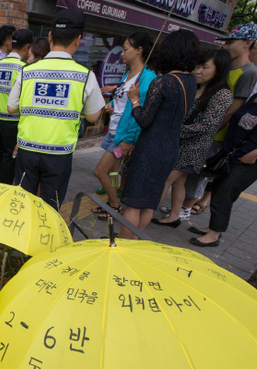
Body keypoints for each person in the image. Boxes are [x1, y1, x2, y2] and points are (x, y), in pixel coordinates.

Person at [7, 9, 104, 209]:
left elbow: (10, 107)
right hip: (59, 155)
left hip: (27, 151)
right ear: (78, 40)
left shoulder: (27, 71)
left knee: (21, 205)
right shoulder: (85, 75)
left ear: (50, 36)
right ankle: (45, 239)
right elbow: (94, 116)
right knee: (50, 207)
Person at [120, 29, 199, 239]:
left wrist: (135, 100)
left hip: (150, 149)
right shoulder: (190, 82)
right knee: (148, 203)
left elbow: (144, 120)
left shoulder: (163, 82)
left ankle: (124, 245)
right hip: (170, 148)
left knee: (133, 202)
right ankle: (135, 241)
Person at [153, 50, 232, 227]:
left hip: (194, 147)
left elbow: (207, 125)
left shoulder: (222, 94)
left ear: (219, 69)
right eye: (197, 66)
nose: (198, 71)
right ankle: (174, 216)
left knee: (164, 179)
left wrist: (175, 129)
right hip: (179, 142)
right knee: (179, 182)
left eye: (205, 67)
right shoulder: (194, 87)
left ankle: (143, 212)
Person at [192, 23, 257, 214]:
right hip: (208, 128)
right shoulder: (225, 67)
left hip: (220, 135)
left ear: (247, 43)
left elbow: (234, 109)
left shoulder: (249, 72)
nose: (226, 46)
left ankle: (195, 203)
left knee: (205, 172)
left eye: (231, 42)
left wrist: (210, 129)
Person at [91, 32, 156, 218]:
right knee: (112, 172)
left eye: (126, 49)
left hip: (122, 137)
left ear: (139, 50)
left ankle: (114, 205)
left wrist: (128, 140)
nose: (122, 53)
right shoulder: (128, 74)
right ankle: (114, 199)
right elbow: (123, 103)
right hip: (113, 132)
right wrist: (112, 106)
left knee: (100, 171)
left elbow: (140, 112)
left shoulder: (147, 78)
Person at [189, 92, 257, 247]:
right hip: (231, 154)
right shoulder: (253, 98)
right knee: (219, 188)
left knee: (225, 192)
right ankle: (212, 227)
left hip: (248, 160)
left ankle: (214, 234)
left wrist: (254, 154)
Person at [0, 28, 33, 184]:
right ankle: (3, 189)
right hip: (14, 122)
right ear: (27, 47)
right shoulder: (24, 68)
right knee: (9, 156)